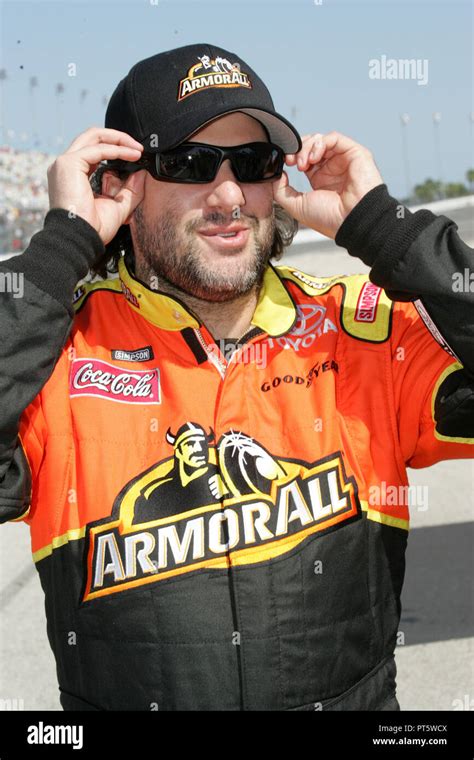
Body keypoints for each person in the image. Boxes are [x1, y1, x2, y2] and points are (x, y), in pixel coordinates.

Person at [0, 43, 472, 712]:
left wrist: (386, 230)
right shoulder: (60, 356)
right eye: (189, 164)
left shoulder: (360, 332)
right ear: (119, 186)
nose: (228, 196)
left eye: (253, 164)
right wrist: (61, 248)